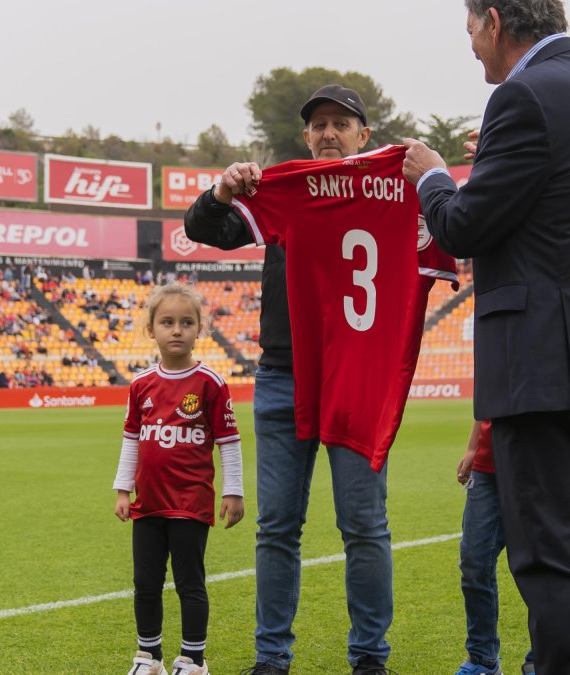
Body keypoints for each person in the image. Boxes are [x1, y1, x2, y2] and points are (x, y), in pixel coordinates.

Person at [402, 1, 570, 673]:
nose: (471, 47)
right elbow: (557, 205)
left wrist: (431, 176)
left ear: (497, 21)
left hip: (537, 364)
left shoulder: (521, 97)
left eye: (471, 31)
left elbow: (463, 227)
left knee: (546, 553)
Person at [184, 85, 398, 674]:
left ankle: (370, 658)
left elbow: (455, 227)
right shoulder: (289, 186)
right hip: (283, 374)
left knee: (364, 525)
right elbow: (209, 229)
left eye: (340, 123)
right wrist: (220, 190)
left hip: (356, 375)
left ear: (364, 135)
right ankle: (271, 657)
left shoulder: (392, 186)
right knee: (277, 526)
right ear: (305, 136)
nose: (328, 133)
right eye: (318, 125)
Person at [112, 283, 245, 675]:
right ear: (151, 329)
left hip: (190, 502)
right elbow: (131, 440)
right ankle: (148, 657)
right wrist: (123, 488)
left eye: (186, 323)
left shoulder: (211, 383)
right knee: (146, 583)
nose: (177, 330)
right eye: (167, 322)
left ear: (199, 329)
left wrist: (233, 491)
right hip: (148, 503)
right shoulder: (140, 385)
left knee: (190, 583)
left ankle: (193, 661)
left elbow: (229, 442)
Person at [454, 421, 534, 675]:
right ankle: (482, 660)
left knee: (540, 565)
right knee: (474, 562)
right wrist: (471, 447)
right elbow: (484, 396)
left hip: (536, 464)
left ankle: (544, 657)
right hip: (486, 467)